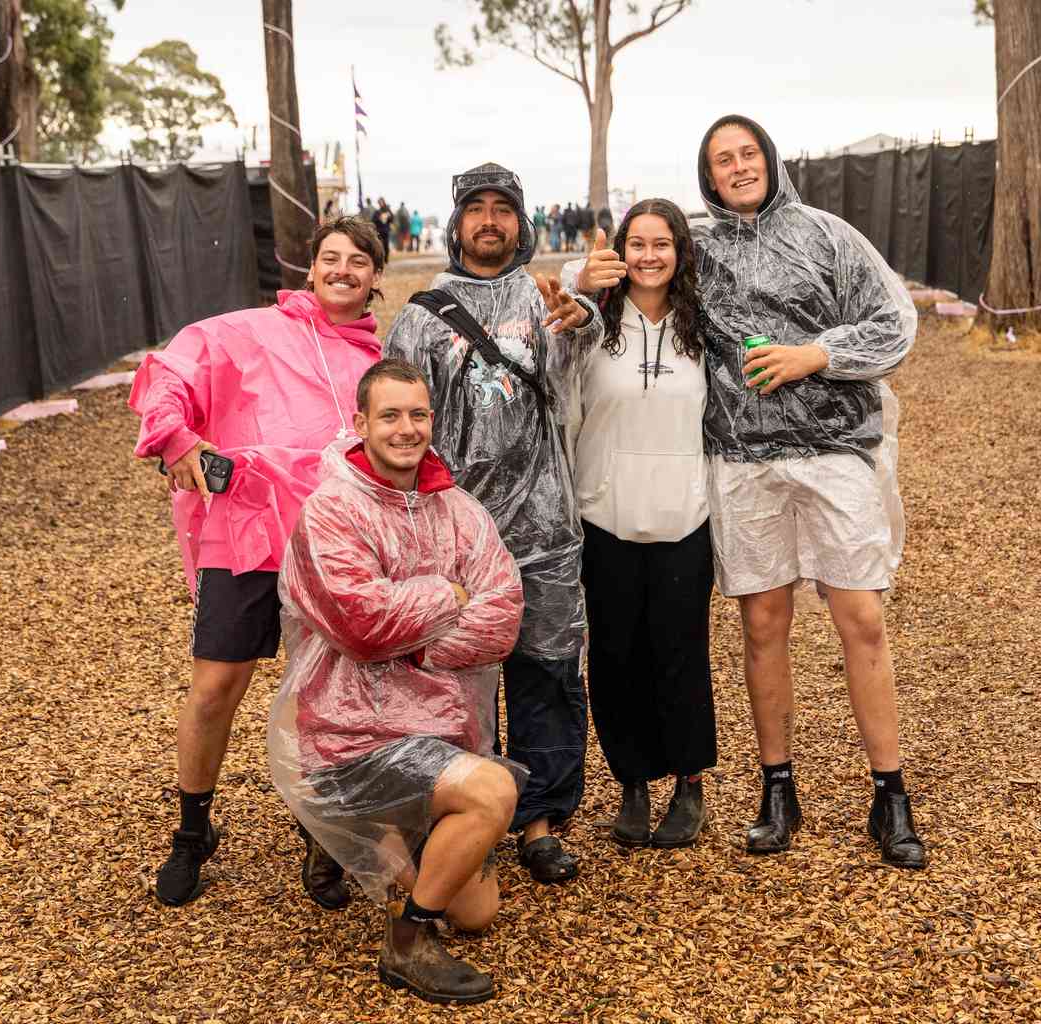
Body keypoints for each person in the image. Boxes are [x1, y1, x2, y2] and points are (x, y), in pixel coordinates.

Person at [576, 114, 926, 869]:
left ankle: (889, 793)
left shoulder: (828, 236)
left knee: (862, 618)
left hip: (834, 451)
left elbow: (895, 322)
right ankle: (778, 789)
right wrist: (584, 280)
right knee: (763, 625)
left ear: (769, 158)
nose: (738, 167)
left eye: (747, 153)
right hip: (740, 462)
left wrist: (816, 355)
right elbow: (639, 265)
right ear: (706, 175)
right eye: (721, 159)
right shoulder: (698, 249)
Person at [130, 216, 387, 907]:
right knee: (217, 685)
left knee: (327, 694)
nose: (341, 270)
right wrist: (176, 438)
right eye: (330, 257)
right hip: (244, 530)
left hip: (334, 546)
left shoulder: (377, 365)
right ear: (311, 268)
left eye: (357, 260)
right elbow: (173, 369)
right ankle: (192, 831)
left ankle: (322, 834)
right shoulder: (251, 332)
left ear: (375, 277)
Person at [268, 359, 525, 1004]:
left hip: (441, 733)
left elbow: (501, 618)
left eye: (417, 414)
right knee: (494, 793)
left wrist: (415, 648)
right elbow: (362, 624)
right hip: (352, 739)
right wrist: (448, 594)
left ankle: (362, 842)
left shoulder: (459, 510)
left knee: (478, 913)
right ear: (361, 423)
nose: (406, 429)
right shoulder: (331, 512)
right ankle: (407, 939)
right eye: (389, 415)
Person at [384, 162, 601, 885]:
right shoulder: (422, 314)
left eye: (501, 208)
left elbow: (577, 368)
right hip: (454, 540)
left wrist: (581, 319)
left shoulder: (545, 299)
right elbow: (395, 420)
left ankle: (539, 823)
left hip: (545, 531)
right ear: (456, 223)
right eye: (474, 208)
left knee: (547, 674)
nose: (488, 220)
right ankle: (465, 818)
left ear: (520, 222)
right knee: (454, 686)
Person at [561, 199, 717, 848]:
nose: (649, 256)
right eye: (637, 244)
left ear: (680, 252)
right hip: (606, 514)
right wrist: (578, 282)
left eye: (662, 244)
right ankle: (632, 781)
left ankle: (688, 783)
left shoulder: (703, 327)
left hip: (684, 515)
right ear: (619, 251)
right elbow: (552, 317)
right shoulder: (592, 324)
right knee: (616, 656)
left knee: (680, 654)